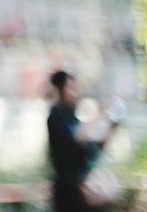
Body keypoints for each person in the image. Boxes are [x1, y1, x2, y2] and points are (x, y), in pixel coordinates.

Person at [47, 69, 121, 210]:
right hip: (67, 192)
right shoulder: (56, 117)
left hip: (83, 190)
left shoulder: (73, 118)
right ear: (60, 89)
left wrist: (111, 130)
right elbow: (76, 139)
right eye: (71, 87)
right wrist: (99, 115)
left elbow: (92, 151)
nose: (76, 92)